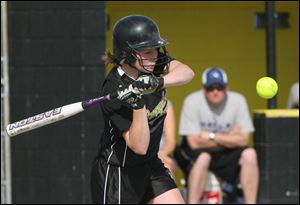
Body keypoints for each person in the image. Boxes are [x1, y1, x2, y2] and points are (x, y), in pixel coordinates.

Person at [91, 15, 194, 204]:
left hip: (150, 165)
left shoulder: (153, 67)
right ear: (127, 54)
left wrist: (158, 81)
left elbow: (187, 73)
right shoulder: (113, 87)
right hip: (119, 173)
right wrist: (138, 104)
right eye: (146, 51)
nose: (154, 55)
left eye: (155, 49)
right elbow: (139, 146)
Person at [175, 67, 259, 204]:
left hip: (224, 153)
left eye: (219, 87)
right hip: (196, 153)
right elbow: (193, 143)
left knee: (250, 154)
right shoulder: (192, 101)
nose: (215, 92)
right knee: (204, 157)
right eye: (210, 88)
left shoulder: (238, 101)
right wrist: (229, 136)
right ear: (204, 89)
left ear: (227, 88)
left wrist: (210, 135)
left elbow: (244, 139)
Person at [159, 100, 177, 178]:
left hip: (161, 155)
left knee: (166, 166)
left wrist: (161, 154)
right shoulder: (131, 102)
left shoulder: (166, 104)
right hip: (136, 157)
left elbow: (171, 142)